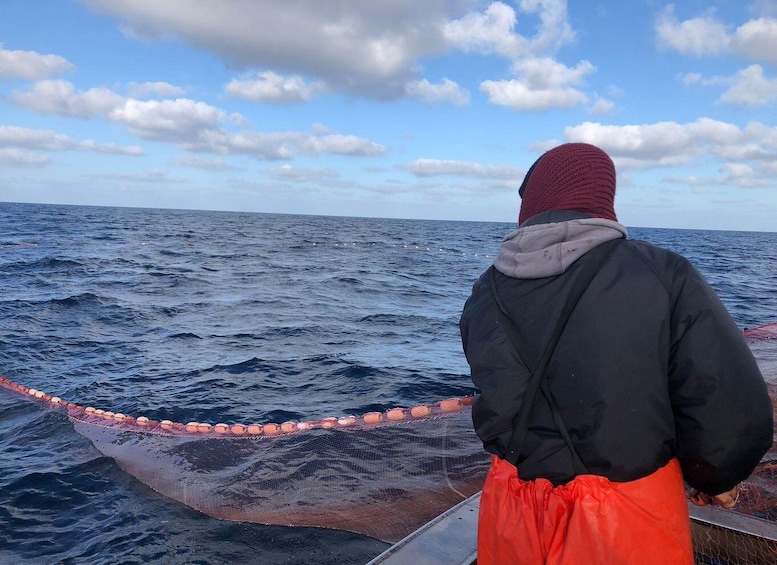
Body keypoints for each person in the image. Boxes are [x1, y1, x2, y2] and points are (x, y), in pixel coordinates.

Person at [459, 142, 773, 564]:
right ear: (601, 198)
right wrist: (716, 477)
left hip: (510, 509)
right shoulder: (662, 273)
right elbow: (719, 392)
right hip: (623, 520)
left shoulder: (486, 289)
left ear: (533, 201)